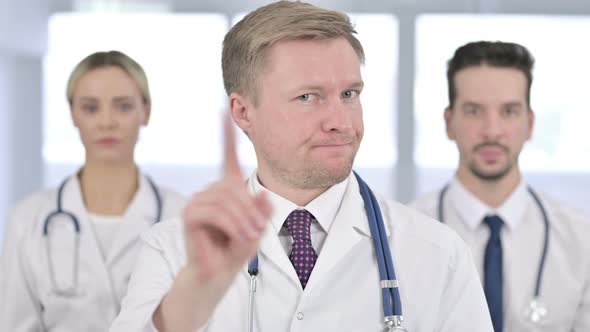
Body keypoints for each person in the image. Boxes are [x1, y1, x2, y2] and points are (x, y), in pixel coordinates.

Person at [110, 2, 493, 331]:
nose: (340, 121)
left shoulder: (438, 254)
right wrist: (194, 293)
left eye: (349, 94)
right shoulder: (172, 252)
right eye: (308, 97)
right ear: (243, 112)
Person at [0, 50, 186, 331]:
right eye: (90, 108)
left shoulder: (182, 218)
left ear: (145, 112)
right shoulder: (27, 220)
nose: (106, 122)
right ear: (73, 114)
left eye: (123, 106)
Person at [411, 41, 590, 332]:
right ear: (449, 122)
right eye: (473, 111)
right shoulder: (403, 237)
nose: (492, 130)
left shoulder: (581, 242)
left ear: (530, 124)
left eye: (509, 111)